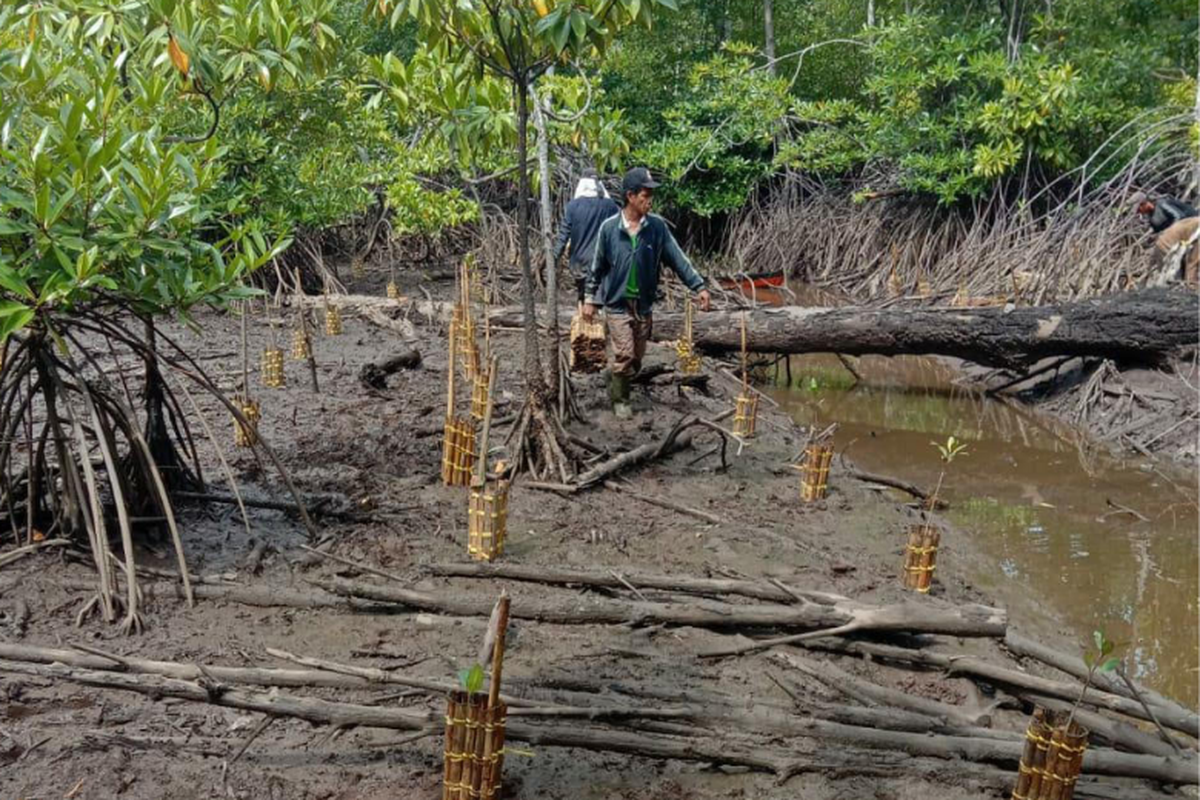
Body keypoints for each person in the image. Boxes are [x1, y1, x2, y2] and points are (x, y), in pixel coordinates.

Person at [583, 167, 711, 419]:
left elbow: (678, 259)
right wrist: (590, 299)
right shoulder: (609, 229)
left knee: (637, 359)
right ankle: (621, 400)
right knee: (625, 353)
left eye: (651, 194)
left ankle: (614, 375)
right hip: (617, 304)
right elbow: (596, 267)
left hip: (643, 305)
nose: (650, 200)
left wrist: (699, 286)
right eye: (645, 194)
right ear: (630, 196)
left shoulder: (657, 228)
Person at [552, 169, 619, 306]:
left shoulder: (573, 206)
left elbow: (564, 234)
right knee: (600, 300)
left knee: (583, 298)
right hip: (604, 262)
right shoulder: (611, 206)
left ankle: (583, 323)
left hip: (579, 263)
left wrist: (553, 257)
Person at [1134, 193, 1200, 283]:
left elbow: (1179, 217)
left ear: (1145, 203)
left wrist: (1168, 232)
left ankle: (1192, 282)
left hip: (1192, 227)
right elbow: (1158, 231)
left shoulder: (1163, 204)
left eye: (1139, 209)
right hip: (1177, 237)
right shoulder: (1151, 217)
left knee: (1192, 259)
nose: (1139, 212)